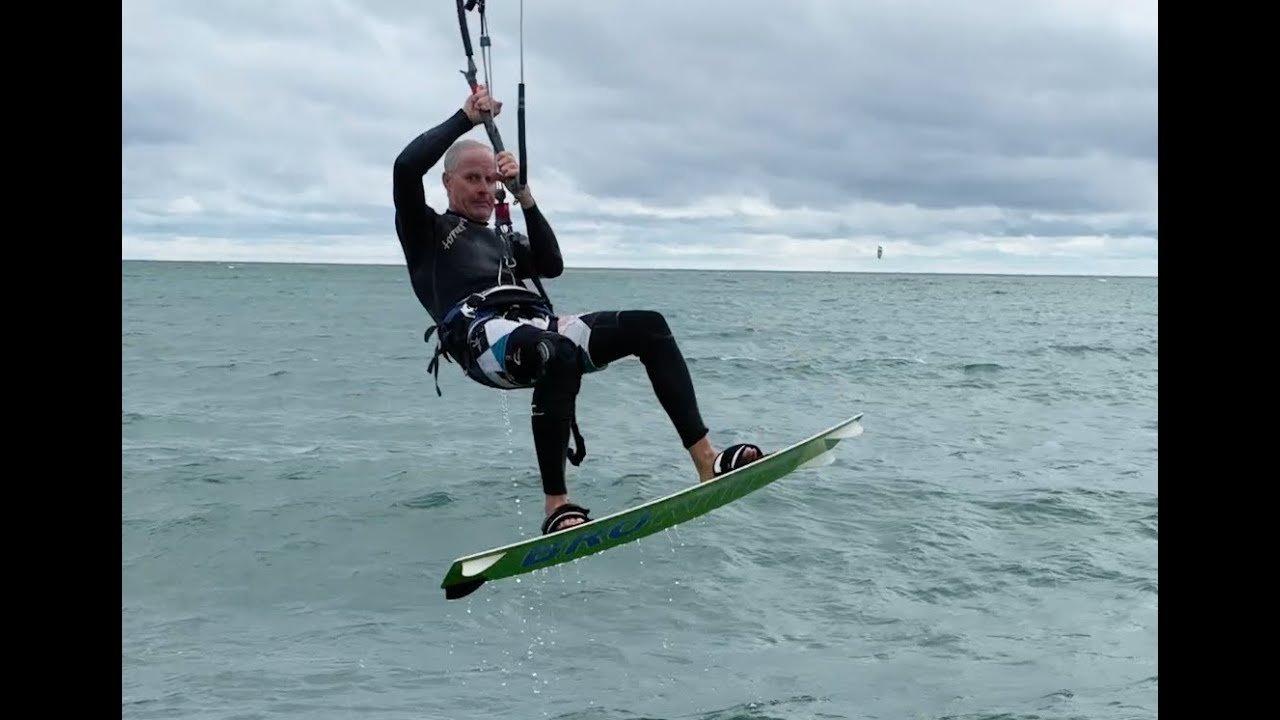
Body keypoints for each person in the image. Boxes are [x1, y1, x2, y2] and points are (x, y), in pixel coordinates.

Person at [392, 85, 764, 535]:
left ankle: (707, 460)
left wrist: (524, 196)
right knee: (557, 352)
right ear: (448, 182)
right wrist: (465, 117)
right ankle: (556, 506)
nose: (486, 190)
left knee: (649, 327)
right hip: (480, 336)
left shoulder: (504, 238)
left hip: (536, 325)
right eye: (474, 179)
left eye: (491, 180)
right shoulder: (427, 233)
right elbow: (405, 167)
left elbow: (552, 265)